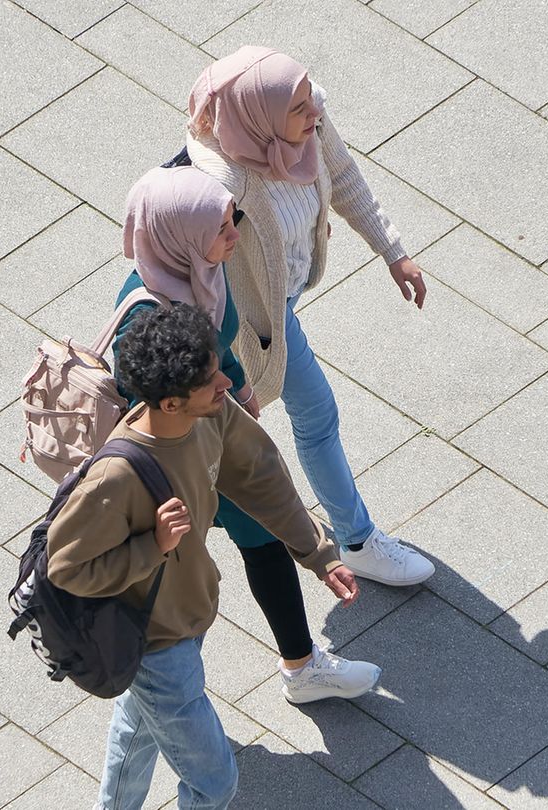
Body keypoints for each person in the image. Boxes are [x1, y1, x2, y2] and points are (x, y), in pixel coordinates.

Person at [48, 304, 369, 808]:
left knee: (137, 730)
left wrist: (320, 554)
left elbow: (261, 474)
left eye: (217, 367)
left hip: (187, 613)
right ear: (171, 403)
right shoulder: (116, 478)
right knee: (215, 783)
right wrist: (152, 547)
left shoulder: (210, 415)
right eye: (209, 379)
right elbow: (65, 568)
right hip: (156, 641)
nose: (225, 382)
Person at [112, 166, 380, 704]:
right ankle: (167, 684)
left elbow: (218, 336)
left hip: (216, 432)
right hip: (183, 459)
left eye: (232, 219)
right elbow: (145, 398)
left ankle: (295, 665)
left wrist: (234, 382)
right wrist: (218, 405)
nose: (236, 234)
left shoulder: (200, 270)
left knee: (259, 540)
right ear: (181, 235)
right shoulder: (143, 319)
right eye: (223, 228)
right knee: (203, 562)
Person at [182, 46, 436, 587]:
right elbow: (196, 268)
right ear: (259, 116)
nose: (314, 113)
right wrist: (225, 357)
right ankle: (358, 540)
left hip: (281, 300)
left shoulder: (305, 124)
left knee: (277, 420)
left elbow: (341, 175)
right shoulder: (222, 182)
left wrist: (394, 252)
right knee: (316, 416)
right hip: (256, 319)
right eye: (298, 108)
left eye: (308, 99)